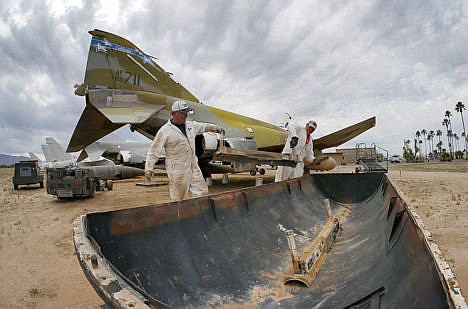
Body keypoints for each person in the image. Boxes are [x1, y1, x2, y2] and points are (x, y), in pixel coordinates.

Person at [144, 100, 225, 201]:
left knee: (202, 192)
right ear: (174, 113)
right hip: (178, 170)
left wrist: (214, 128)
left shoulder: (190, 126)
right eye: (183, 113)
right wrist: (148, 168)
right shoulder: (165, 131)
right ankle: (180, 214)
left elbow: (203, 127)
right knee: (179, 198)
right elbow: (154, 151)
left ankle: (200, 214)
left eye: (186, 112)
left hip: (193, 165)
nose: (186, 115)